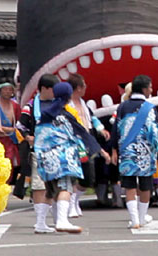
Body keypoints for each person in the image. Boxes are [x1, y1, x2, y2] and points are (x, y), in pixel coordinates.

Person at [34, 82, 110, 233]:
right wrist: (100, 151)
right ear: (69, 97)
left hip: (44, 158)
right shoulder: (65, 116)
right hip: (62, 160)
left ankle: (40, 223)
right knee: (66, 188)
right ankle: (62, 221)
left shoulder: (44, 114)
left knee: (50, 192)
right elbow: (83, 135)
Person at [111, 75, 158, 228]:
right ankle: (142, 218)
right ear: (144, 89)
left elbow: (115, 130)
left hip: (127, 152)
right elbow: (156, 130)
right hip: (145, 152)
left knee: (129, 185)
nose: (151, 90)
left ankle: (134, 219)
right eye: (150, 87)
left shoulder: (122, 107)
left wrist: (114, 149)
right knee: (145, 185)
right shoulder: (149, 108)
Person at [17, 74, 60, 233]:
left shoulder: (59, 104)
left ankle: (58, 219)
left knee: (56, 185)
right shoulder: (30, 106)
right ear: (44, 89)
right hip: (38, 152)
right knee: (39, 186)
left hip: (57, 151)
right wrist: (29, 137)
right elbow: (20, 126)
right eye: (53, 90)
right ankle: (40, 222)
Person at [66, 74, 110, 219]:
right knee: (73, 174)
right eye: (84, 85)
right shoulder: (66, 105)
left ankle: (75, 199)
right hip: (72, 141)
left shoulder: (83, 103)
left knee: (88, 177)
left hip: (87, 139)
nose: (85, 88)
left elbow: (93, 118)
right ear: (78, 88)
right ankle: (71, 203)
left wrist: (100, 129)